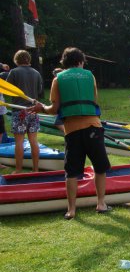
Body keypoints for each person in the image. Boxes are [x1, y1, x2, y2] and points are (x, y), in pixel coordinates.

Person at [28, 47, 111, 220]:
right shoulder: (90, 76)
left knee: (72, 171)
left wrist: (40, 108)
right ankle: (101, 203)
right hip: (93, 128)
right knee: (100, 167)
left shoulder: (58, 79)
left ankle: (71, 210)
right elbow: (94, 100)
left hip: (72, 131)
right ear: (80, 61)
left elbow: (54, 109)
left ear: (64, 63)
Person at [6, 50, 42, 173]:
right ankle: (36, 169)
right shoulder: (36, 73)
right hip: (33, 111)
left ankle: (18, 170)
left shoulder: (14, 72)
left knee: (19, 142)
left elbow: (6, 89)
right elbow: (39, 91)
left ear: (17, 60)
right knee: (34, 141)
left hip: (19, 111)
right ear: (28, 59)